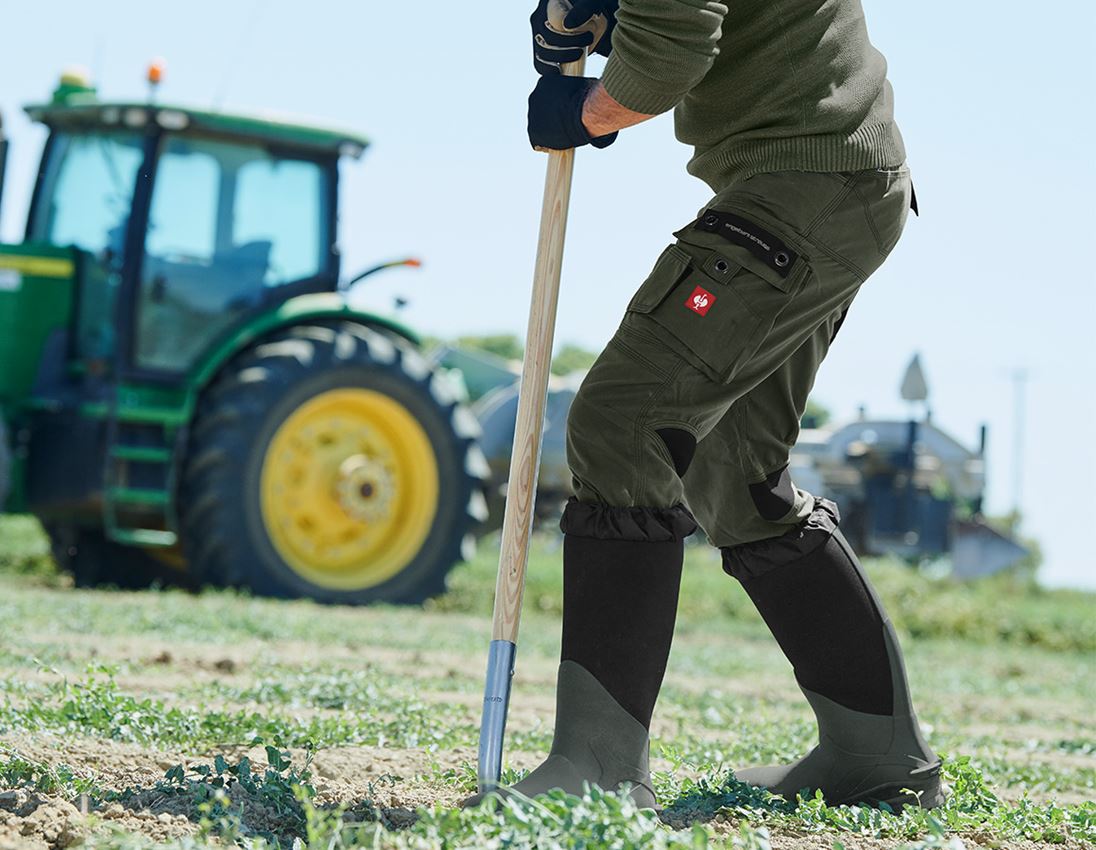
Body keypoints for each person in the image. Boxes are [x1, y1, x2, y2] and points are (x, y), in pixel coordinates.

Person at [470, 0, 942, 811]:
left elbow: (671, 52)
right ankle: (875, 754)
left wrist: (587, 111)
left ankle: (598, 771)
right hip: (835, 181)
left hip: (809, 184)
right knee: (734, 469)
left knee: (623, 423)